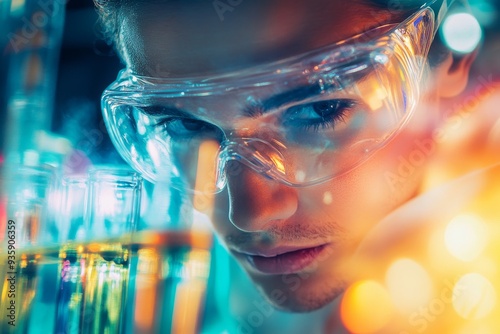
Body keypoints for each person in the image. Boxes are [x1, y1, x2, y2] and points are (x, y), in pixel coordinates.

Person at [95, 0, 500, 332]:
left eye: (318, 111)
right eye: (186, 124)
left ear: (448, 57)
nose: (249, 215)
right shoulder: (169, 287)